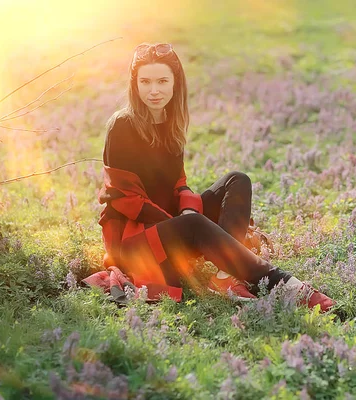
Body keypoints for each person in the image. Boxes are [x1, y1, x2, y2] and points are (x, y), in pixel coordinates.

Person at [97, 42, 335, 312]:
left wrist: (187, 213)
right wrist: (184, 222)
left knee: (238, 180)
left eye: (162, 81)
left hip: (172, 227)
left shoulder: (170, 122)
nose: (154, 90)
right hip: (135, 243)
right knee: (194, 223)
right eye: (146, 81)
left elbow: (178, 184)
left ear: (176, 83)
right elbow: (124, 199)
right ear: (135, 84)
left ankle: (225, 277)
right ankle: (288, 284)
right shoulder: (122, 126)